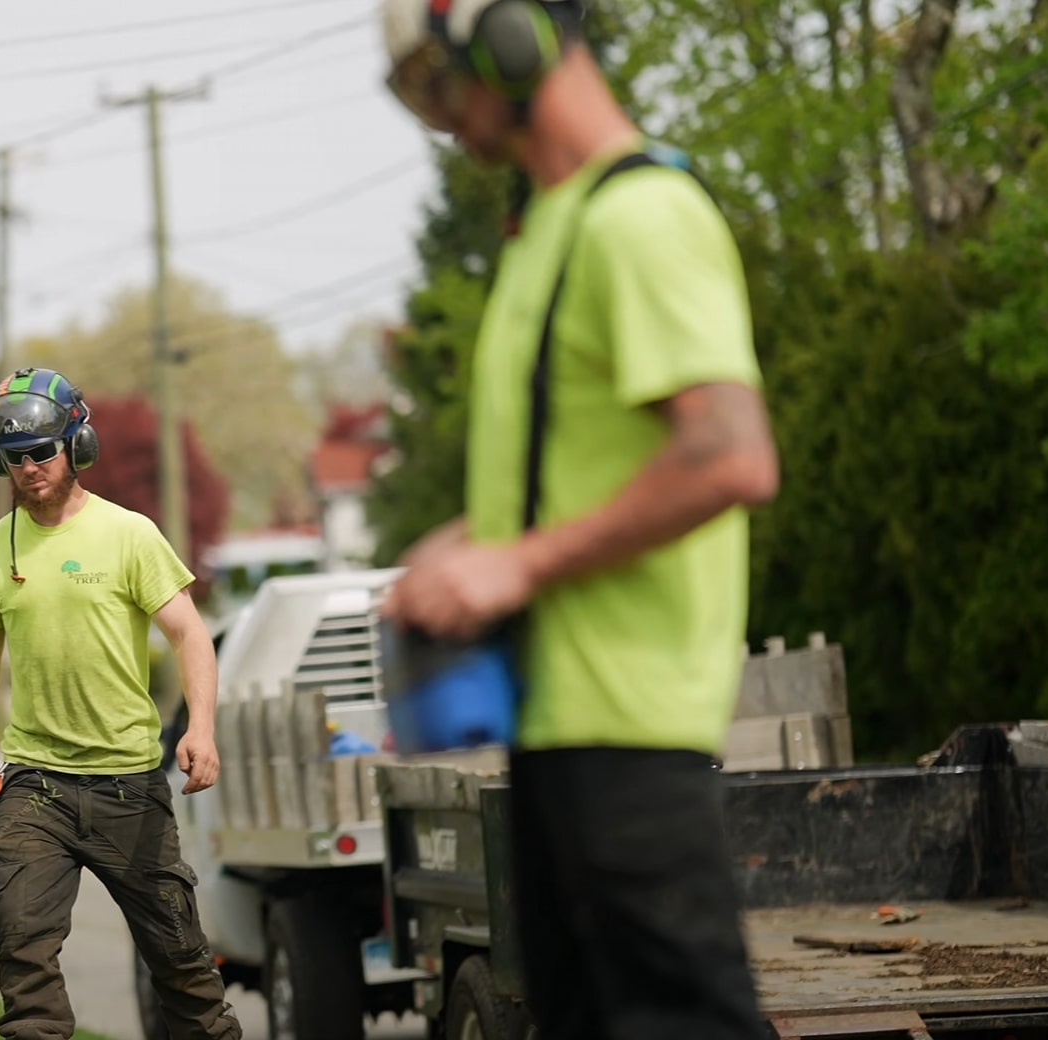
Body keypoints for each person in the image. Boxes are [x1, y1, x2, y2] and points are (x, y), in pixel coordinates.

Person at [376, 2, 782, 1039]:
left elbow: (730, 452)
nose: (447, 122)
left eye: (445, 83)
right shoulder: (547, 225)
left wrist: (520, 562)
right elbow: (582, 460)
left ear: (516, 41)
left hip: (632, 728)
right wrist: (472, 541)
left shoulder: (643, 215)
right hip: (555, 725)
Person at [0, 366, 239, 1040]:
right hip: (33, 785)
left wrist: (203, 729)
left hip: (127, 781)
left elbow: (189, 634)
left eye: (41, 451)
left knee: (181, 965)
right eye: (12, 458)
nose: (29, 467)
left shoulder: (129, 534)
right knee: (22, 951)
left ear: (77, 443)